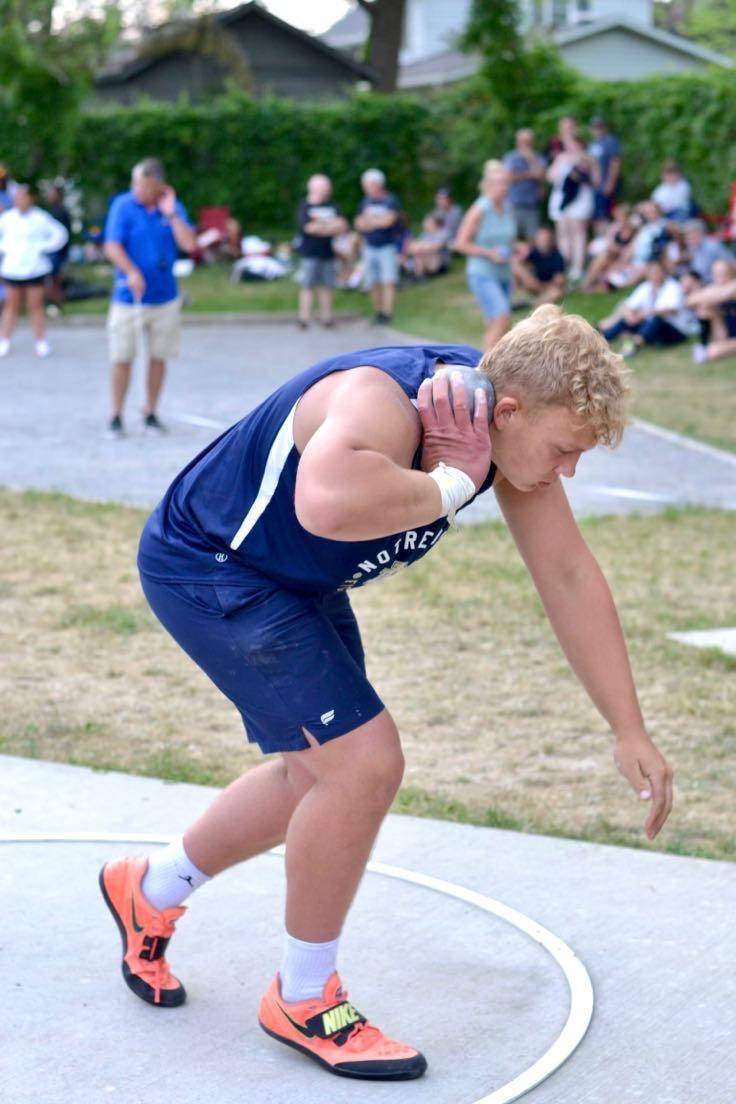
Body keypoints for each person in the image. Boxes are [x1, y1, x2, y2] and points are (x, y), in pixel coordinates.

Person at [98, 305, 673, 1084]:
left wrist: (627, 727)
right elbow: (325, 503)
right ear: (507, 411)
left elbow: (568, 576)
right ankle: (305, 998)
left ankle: (148, 888)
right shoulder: (385, 401)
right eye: (566, 449)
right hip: (213, 565)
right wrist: (452, 482)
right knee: (363, 767)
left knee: (319, 772)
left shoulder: (499, 432)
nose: (566, 471)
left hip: (294, 578)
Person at [103, 158, 196, 438]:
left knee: (158, 357)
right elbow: (111, 245)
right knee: (122, 357)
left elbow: (189, 244)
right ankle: (116, 415)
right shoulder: (123, 205)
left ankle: (150, 412)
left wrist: (171, 214)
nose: (137, 190)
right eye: (135, 183)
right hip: (128, 298)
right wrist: (130, 271)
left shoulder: (172, 209)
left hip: (165, 297)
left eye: (143, 185)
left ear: (158, 186)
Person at [0, 183, 68, 358]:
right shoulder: (7, 218)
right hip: (13, 269)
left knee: (35, 306)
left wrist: (43, 247)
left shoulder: (40, 218)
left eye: (23, 197)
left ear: (30, 199)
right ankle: (5, 340)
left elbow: (60, 234)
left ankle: (40, 341)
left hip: (34, 269)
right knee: (11, 306)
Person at [454, 163, 516, 349]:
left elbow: (507, 239)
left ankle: (495, 370)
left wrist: (518, 248)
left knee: (497, 323)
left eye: (506, 183)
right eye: (498, 183)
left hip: (504, 273)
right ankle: (483, 370)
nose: (503, 187)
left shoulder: (508, 207)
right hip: (482, 272)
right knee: (501, 316)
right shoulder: (480, 209)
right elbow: (460, 243)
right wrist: (489, 253)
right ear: (488, 186)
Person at [599, 259, 691, 356]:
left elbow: (670, 310)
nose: (655, 275)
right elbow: (630, 305)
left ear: (663, 273)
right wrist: (631, 316)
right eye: (652, 273)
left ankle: (633, 346)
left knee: (656, 320)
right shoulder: (645, 287)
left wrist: (643, 314)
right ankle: (603, 341)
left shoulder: (673, 287)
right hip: (650, 326)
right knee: (626, 319)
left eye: (657, 272)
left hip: (674, 329)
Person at [295, 174, 348, 329]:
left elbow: (342, 225)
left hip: (328, 252)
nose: (328, 190)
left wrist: (322, 228)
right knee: (307, 285)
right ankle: (304, 318)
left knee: (327, 286)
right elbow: (309, 228)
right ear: (315, 188)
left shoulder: (333, 206)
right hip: (310, 253)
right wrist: (330, 227)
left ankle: (327, 318)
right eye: (325, 187)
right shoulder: (305, 206)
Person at [354, 169, 402, 324]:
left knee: (388, 280)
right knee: (372, 281)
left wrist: (370, 222)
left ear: (377, 184)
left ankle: (388, 313)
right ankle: (378, 312)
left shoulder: (390, 200)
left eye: (367, 184)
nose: (365, 188)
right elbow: (359, 223)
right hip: (370, 246)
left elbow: (389, 221)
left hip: (387, 246)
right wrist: (376, 222)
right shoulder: (365, 201)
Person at [547, 135, 596, 284]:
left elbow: (593, 179)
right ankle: (565, 264)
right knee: (563, 232)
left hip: (579, 198)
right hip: (563, 198)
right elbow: (551, 176)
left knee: (578, 232)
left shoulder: (587, 158)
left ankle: (578, 266)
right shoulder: (562, 158)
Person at [404, 187, 463, 279]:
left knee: (426, 249)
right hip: (437, 239)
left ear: (449, 199)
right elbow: (431, 226)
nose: (441, 201)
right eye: (439, 199)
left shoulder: (456, 211)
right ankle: (418, 273)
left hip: (451, 240)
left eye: (444, 198)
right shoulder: (436, 212)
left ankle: (419, 273)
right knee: (416, 250)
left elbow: (450, 231)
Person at [687, 257, 736, 364]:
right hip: (727, 332)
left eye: (723, 273)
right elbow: (690, 300)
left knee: (713, 352)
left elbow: (723, 295)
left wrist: (707, 296)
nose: (719, 277)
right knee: (705, 309)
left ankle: (707, 350)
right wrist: (706, 297)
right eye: (716, 274)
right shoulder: (716, 287)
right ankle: (704, 345)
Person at [503, 128, 547, 241]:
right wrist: (530, 175)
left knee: (532, 239)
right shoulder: (510, 157)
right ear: (518, 141)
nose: (526, 144)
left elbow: (542, 175)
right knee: (511, 238)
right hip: (513, 204)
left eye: (528, 141)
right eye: (524, 141)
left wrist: (531, 159)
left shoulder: (538, 157)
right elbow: (508, 177)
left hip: (532, 205)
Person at [512, 225, 566, 304]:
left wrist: (542, 285)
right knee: (516, 267)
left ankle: (535, 302)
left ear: (550, 240)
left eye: (544, 239)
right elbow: (518, 262)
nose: (542, 241)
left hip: (548, 287)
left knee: (557, 292)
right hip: (534, 285)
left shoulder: (557, 256)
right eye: (540, 239)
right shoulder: (534, 252)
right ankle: (518, 296)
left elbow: (559, 281)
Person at [44, 182, 72, 309]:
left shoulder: (60, 212)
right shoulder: (54, 211)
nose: (49, 196)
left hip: (58, 252)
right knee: (53, 279)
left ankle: (55, 303)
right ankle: (53, 303)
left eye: (52, 193)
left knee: (55, 279)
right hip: (56, 252)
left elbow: (63, 235)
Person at [587, 116, 621, 222]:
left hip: (606, 184)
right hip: (596, 186)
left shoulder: (610, 141)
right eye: (595, 127)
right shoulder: (592, 144)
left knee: (608, 213)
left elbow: (615, 162)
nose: (597, 130)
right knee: (598, 216)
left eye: (599, 127)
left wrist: (610, 182)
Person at [682, 219, 733, 285]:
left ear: (697, 233)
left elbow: (731, 262)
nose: (686, 238)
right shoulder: (694, 248)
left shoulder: (712, 245)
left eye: (688, 234)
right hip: (705, 284)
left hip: (720, 283)